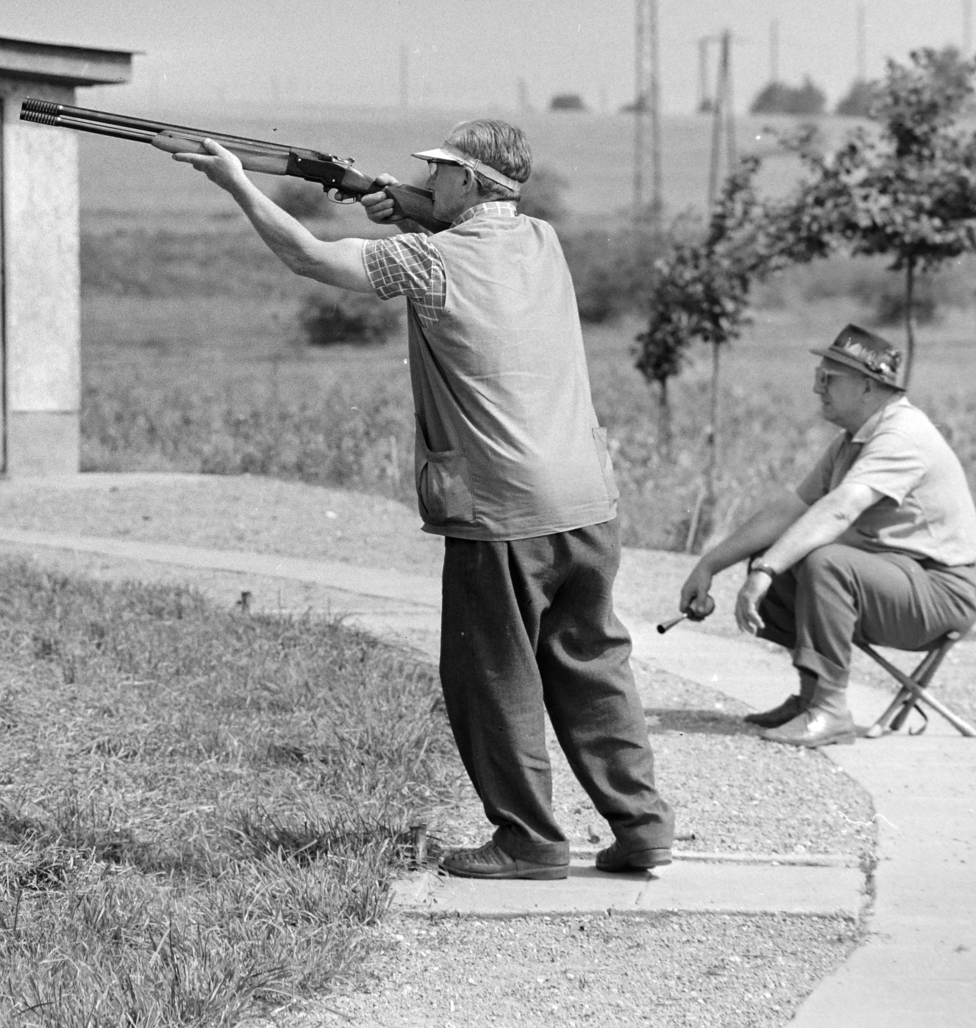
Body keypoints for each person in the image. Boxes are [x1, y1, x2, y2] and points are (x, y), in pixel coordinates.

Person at [173, 119, 674, 880]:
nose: (431, 179)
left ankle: (528, 841)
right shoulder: (543, 241)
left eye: (442, 172)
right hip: (587, 499)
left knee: (492, 678)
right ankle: (641, 827)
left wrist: (234, 180)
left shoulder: (430, 260)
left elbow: (308, 256)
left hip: (503, 509)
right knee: (592, 667)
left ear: (469, 182)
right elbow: (466, 230)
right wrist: (391, 200)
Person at [678, 324, 976, 748]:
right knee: (783, 556)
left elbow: (841, 508)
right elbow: (791, 510)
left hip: (942, 593)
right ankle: (810, 698)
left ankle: (830, 711)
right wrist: (709, 565)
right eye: (818, 376)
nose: (817, 387)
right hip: (898, 579)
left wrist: (765, 571)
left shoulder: (902, 434)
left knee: (822, 562)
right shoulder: (853, 441)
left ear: (868, 385)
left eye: (829, 378)